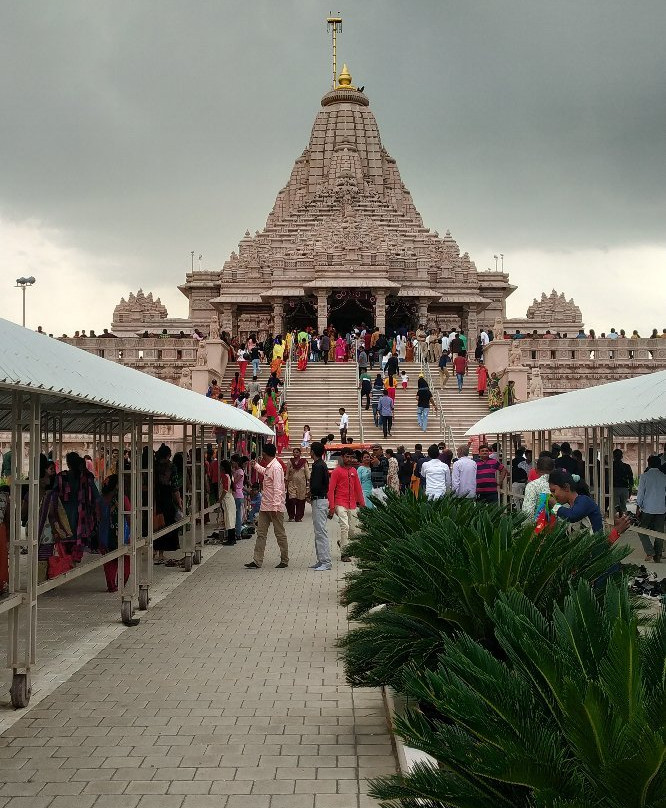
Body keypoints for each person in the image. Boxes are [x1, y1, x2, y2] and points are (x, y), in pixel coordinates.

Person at [245, 444, 288, 569]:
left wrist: (275, 506)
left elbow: (278, 488)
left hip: (274, 507)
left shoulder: (276, 468)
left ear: (265, 453)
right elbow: (265, 473)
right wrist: (256, 466)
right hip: (265, 506)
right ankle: (257, 560)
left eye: (263, 453)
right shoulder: (270, 467)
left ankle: (284, 560)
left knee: (279, 534)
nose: (261, 455)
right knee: (261, 533)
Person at [328, 447, 365, 562]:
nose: (349, 459)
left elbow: (358, 488)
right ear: (342, 457)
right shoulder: (336, 472)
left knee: (354, 531)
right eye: (347, 457)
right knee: (345, 527)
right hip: (340, 503)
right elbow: (331, 490)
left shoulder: (354, 471)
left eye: (351, 457)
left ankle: (342, 542)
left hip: (352, 504)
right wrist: (332, 507)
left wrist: (362, 504)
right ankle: (344, 553)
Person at [97, 474, 131, 593]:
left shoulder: (101, 499)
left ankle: (111, 585)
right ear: (117, 485)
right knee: (126, 561)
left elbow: (98, 517)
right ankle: (122, 583)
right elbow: (128, 517)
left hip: (104, 534)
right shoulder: (123, 498)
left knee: (109, 563)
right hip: (122, 534)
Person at [635, 456, 666, 562]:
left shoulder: (644, 476)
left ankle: (650, 552)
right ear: (659, 464)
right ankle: (658, 556)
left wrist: (638, 506)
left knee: (641, 529)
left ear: (649, 464)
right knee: (659, 532)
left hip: (647, 508)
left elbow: (640, 493)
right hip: (661, 508)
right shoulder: (664, 477)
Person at [308, 442, 331, 571]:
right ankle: (321, 559)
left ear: (313, 452)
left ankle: (326, 561)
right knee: (318, 531)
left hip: (320, 500)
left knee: (321, 531)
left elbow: (316, 485)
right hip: (319, 500)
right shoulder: (319, 464)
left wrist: (309, 493)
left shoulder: (318, 466)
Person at [286, 447, 309, 523]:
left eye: (297, 452)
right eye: (294, 452)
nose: (295, 454)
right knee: (291, 500)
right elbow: (287, 473)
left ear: (300, 453)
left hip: (301, 484)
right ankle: (291, 516)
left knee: (300, 501)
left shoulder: (304, 462)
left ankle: (298, 517)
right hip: (292, 483)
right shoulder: (290, 461)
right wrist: (286, 482)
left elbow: (307, 473)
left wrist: (309, 481)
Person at [611, 448, 634, 514]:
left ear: (613, 456)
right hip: (624, 489)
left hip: (614, 489)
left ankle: (618, 522)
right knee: (623, 507)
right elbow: (631, 479)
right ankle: (623, 520)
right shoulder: (627, 466)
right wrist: (630, 490)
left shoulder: (610, 466)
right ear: (622, 456)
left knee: (616, 508)